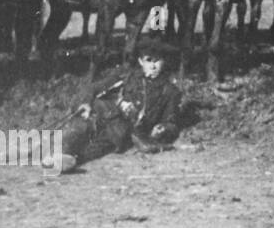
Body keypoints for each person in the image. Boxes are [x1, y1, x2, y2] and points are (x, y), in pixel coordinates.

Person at [53, 41, 183, 173]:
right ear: (140, 62)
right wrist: (86, 103)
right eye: (149, 60)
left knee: (111, 138)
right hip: (104, 116)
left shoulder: (170, 91)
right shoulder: (127, 76)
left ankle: (72, 159)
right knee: (83, 125)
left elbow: (172, 122)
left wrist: (163, 128)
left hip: (126, 130)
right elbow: (93, 88)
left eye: (157, 61)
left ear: (164, 62)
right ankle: (59, 151)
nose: (153, 66)